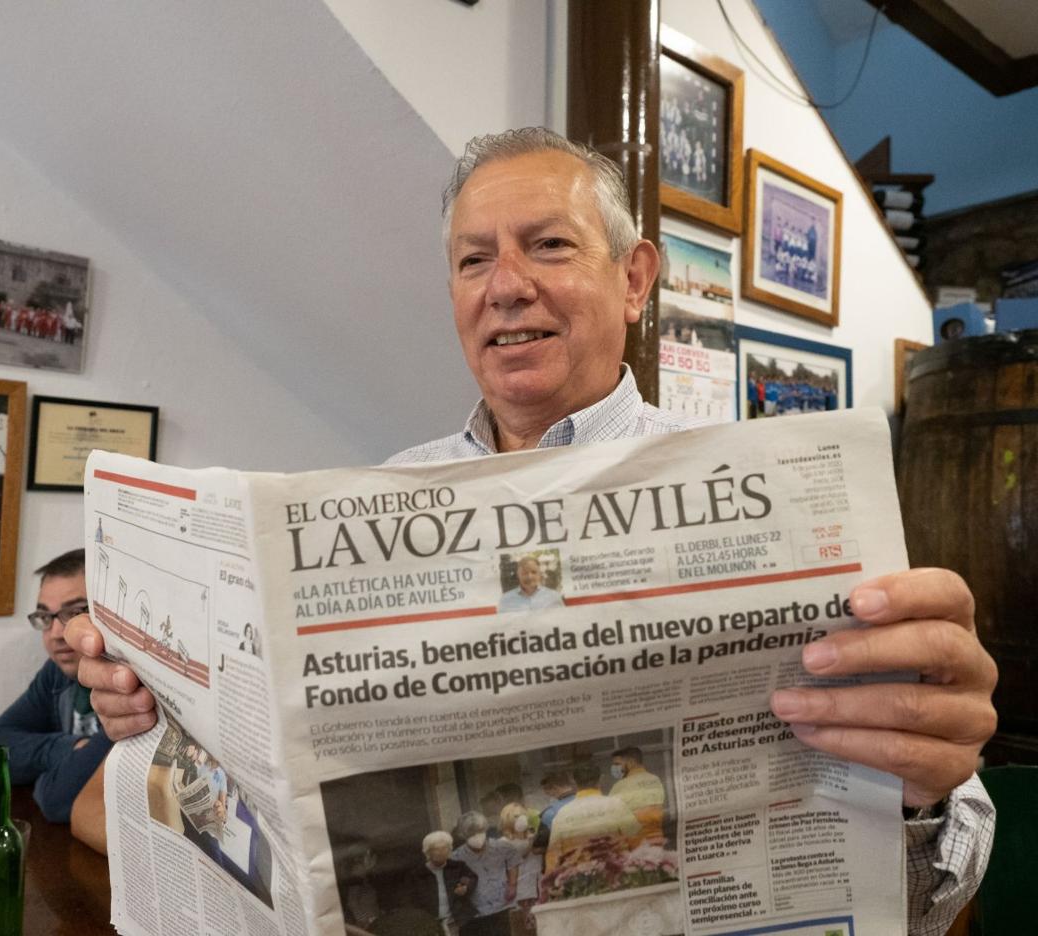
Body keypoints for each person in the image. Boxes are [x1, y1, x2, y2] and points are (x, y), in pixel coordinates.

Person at [66, 128, 998, 935]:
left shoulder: (769, 495)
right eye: (474, 261)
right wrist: (155, 713)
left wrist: (923, 792)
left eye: (548, 245)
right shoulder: (385, 493)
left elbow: (934, 894)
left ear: (634, 279)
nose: (506, 288)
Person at [0, 548, 113, 823]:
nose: (56, 634)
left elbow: (56, 800)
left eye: (74, 613)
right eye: (45, 617)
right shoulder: (57, 673)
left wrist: (48, 772)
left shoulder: (126, 685)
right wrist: (70, 748)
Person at [451, 811, 518, 936]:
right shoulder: (456, 857)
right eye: (471, 834)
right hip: (477, 912)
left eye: (480, 831)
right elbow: (453, 880)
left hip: (503, 905)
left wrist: (512, 884)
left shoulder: (501, 847)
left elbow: (513, 861)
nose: (477, 836)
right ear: (464, 835)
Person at [405, 830, 478, 936]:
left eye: (445, 848)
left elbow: (471, 878)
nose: (441, 852)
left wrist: (465, 887)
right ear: (428, 851)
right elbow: (411, 901)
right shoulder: (417, 874)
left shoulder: (458, 867)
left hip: (457, 920)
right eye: (436, 849)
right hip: (430, 924)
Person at [608, 747, 666, 845]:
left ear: (631, 762)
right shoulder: (655, 779)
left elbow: (610, 818)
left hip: (634, 843)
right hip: (657, 838)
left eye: (617, 764)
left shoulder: (620, 786)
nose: (615, 768)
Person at [496, 555, 564, 613]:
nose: (529, 577)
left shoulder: (554, 596)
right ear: (518, 575)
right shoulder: (506, 600)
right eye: (524, 573)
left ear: (539, 574)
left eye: (534, 572)